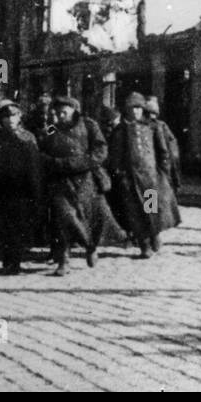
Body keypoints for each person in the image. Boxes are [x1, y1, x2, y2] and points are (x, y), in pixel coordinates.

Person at [39, 96, 125, 275]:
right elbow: (42, 150)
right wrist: (53, 163)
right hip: (60, 180)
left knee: (90, 217)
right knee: (64, 218)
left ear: (74, 110)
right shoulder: (51, 128)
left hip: (86, 180)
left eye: (65, 111)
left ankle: (90, 247)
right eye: (58, 111)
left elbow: (101, 150)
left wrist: (82, 163)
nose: (61, 115)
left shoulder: (88, 125)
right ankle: (64, 260)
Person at [0, 100, 44, 274]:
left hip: (20, 191)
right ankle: (6, 260)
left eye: (13, 116)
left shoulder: (28, 138)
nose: (10, 120)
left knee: (17, 227)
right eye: (6, 117)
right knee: (1, 227)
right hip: (0, 191)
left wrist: (35, 193)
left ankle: (14, 261)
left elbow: (34, 168)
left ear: (19, 117)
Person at [108, 92, 173, 258]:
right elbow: (115, 156)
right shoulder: (120, 130)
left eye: (138, 108)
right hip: (130, 181)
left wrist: (162, 173)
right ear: (126, 110)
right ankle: (144, 246)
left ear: (143, 109)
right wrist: (120, 175)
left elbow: (163, 152)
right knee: (135, 214)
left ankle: (155, 234)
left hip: (150, 179)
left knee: (151, 210)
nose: (135, 111)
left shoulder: (151, 128)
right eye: (132, 108)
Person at [143, 97, 182, 233]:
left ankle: (152, 233)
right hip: (147, 172)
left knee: (151, 203)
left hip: (151, 173)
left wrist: (164, 173)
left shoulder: (158, 127)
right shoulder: (147, 126)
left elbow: (165, 151)